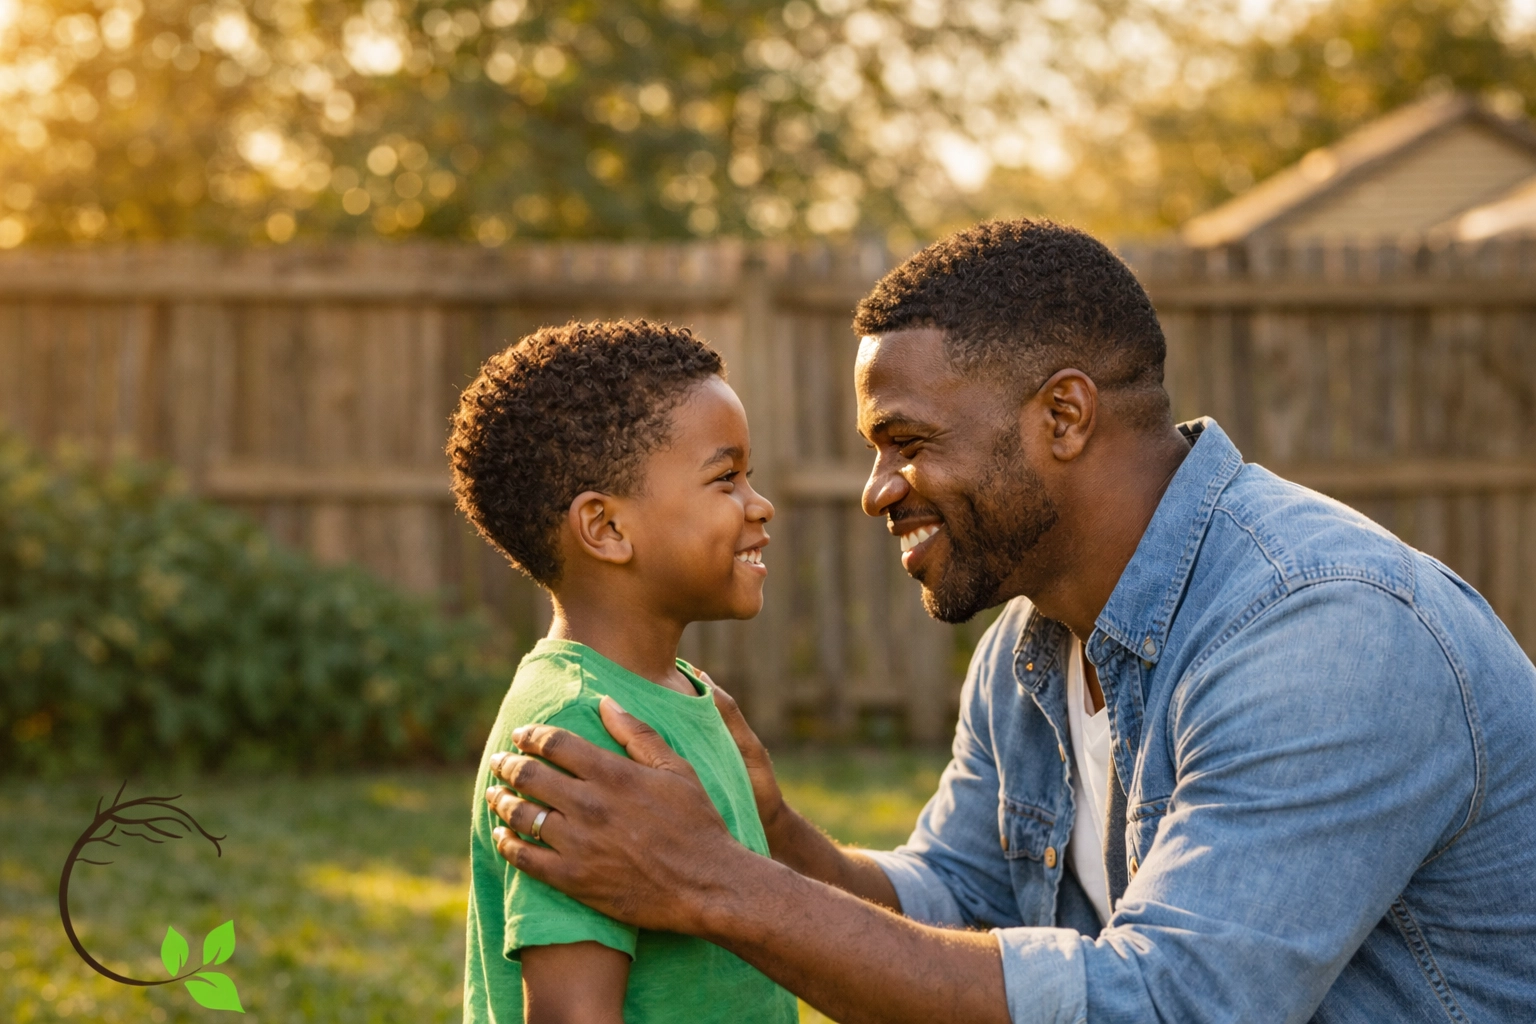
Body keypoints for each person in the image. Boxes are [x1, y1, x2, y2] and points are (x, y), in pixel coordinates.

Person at [479, 221, 1536, 1023]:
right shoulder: (1028, 649)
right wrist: (778, 835)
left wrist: (716, 880)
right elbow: (954, 898)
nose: (876, 489)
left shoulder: (1320, 629)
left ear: (1063, 417)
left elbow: (1173, 1003)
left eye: (906, 440)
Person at [446, 319, 796, 1024]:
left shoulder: (680, 693)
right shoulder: (580, 728)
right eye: (726, 479)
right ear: (606, 528)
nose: (759, 505)